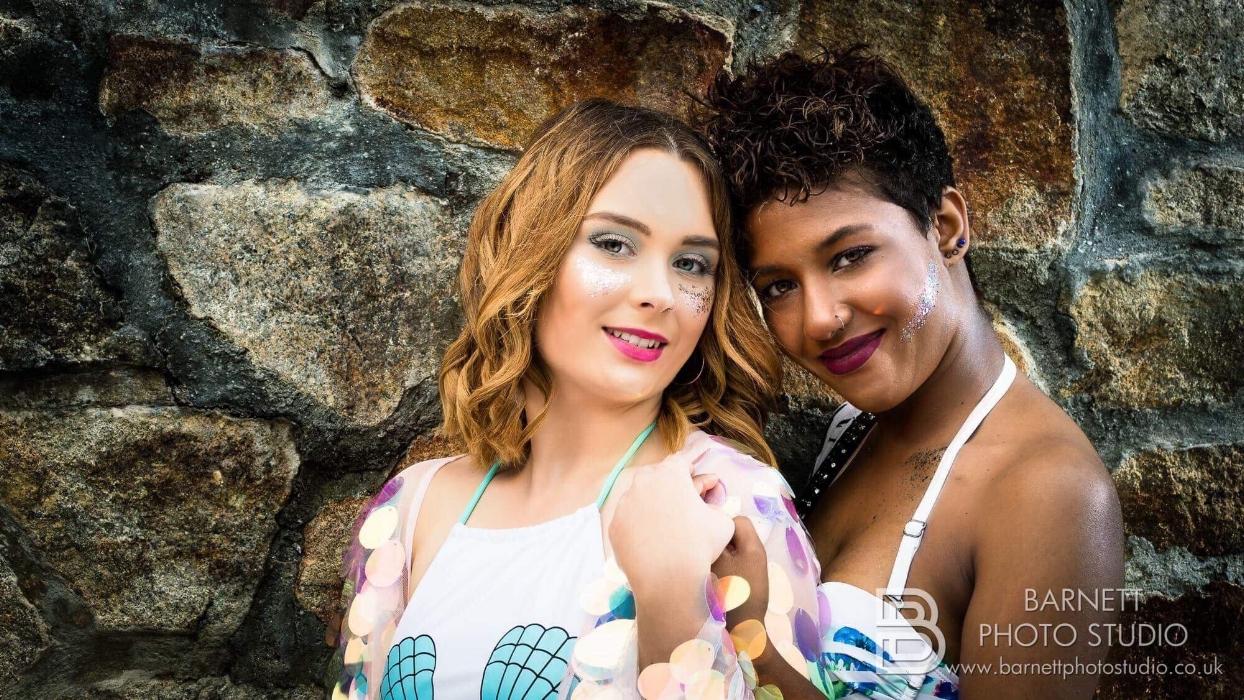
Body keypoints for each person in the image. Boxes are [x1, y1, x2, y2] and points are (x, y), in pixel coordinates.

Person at [659, 47, 1124, 698]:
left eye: (849, 256)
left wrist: (756, 634)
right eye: (779, 286)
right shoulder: (851, 432)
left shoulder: (1050, 494)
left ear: (947, 226)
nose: (819, 318)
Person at [327, 99, 822, 700]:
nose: (660, 293)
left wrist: (671, 599)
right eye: (614, 244)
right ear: (529, 250)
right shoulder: (411, 507)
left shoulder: (731, 503)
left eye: (692, 264)